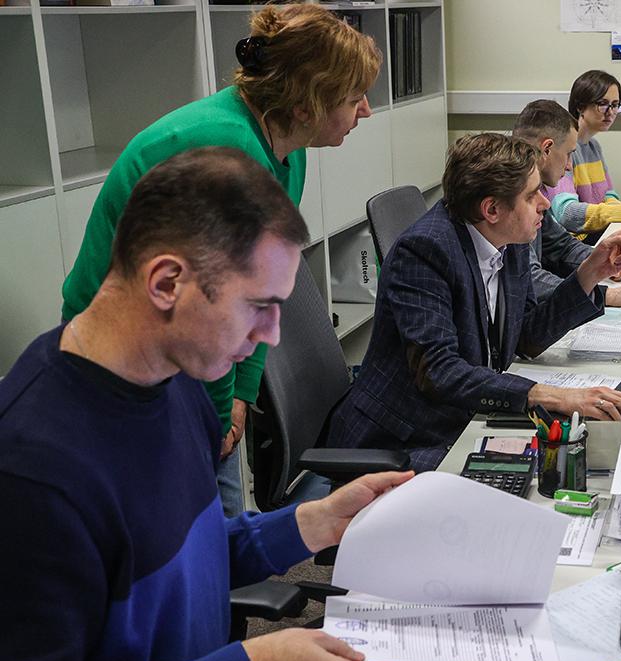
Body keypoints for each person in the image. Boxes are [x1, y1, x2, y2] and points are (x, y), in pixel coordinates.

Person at [0, 148, 408, 661]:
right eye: (259, 306)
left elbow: (188, 557)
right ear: (167, 282)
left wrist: (316, 522)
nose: (271, 335)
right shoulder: (33, 471)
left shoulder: (178, 379)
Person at [59, 3, 381, 517]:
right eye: (353, 97)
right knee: (186, 523)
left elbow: (255, 293)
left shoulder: (287, 148)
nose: (366, 110)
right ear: (306, 105)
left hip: (190, 348)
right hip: (126, 357)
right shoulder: (226, 149)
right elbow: (208, 310)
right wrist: (216, 414)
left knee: (219, 516)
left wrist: (240, 396)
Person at [328, 134, 621, 472]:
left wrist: (589, 274)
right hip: (404, 440)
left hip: (464, 417)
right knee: (544, 479)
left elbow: (525, 336)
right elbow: (439, 371)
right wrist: (548, 394)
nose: (544, 203)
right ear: (491, 209)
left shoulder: (510, 238)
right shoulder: (424, 252)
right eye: (531, 195)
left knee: (576, 462)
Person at [513, 99, 621, 309]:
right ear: (547, 149)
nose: (570, 166)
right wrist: (606, 295)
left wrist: (603, 259)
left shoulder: (533, 192)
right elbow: (528, 281)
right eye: (569, 154)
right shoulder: (510, 198)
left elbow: (561, 246)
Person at [545, 71, 621, 241]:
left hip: (595, 234)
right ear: (580, 106)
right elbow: (567, 213)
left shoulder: (593, 146)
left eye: (615, 105)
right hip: (573, 243)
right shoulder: (565, 149)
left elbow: (608, 195)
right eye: (603, 104)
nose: (610, 112)